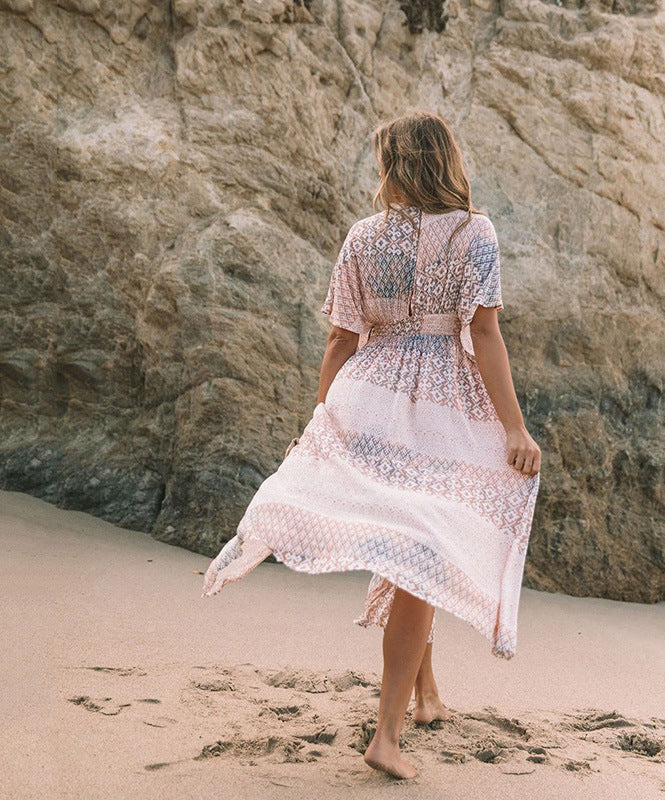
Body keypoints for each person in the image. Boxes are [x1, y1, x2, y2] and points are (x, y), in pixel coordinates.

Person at [201, 109, 542, 780]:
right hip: (441, 406)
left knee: (417, 544)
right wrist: (513, 425)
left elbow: (340, 340)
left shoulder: (364, 237)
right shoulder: (476, 232)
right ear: (446, 161)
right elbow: (484, 336)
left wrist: (324, 419)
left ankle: (425, 697)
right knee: (422, 548)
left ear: (395, 167)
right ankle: (386, 736)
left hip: (369, 396)